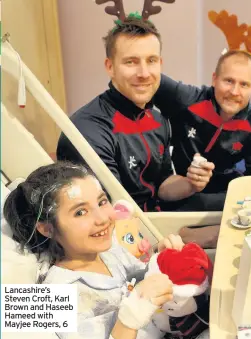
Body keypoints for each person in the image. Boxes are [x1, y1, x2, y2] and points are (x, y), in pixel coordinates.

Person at [3, 161, 186, 339]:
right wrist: (129, 322)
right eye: (81, 212)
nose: (102, 218)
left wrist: (161, 260)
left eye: (102, 201)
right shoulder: (56, 293)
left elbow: (142, 281)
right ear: (47, 229)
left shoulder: (109, 250)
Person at [56, 16, 214, 213]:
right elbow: (107, 212)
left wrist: (191, 183)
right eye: (131, 62)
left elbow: (162, 186)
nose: (144, 73)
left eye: (151, 61)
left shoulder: (158, 120)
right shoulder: (88, 131)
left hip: (156, 219)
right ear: (110, 67)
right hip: (119, 232)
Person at [152, 49, 251, 209]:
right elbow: (149, 78)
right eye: (229, 81)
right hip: (178, 188)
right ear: (214, 79)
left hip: (221, 196)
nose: (235, 92)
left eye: (244, 84)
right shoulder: (187, 99)